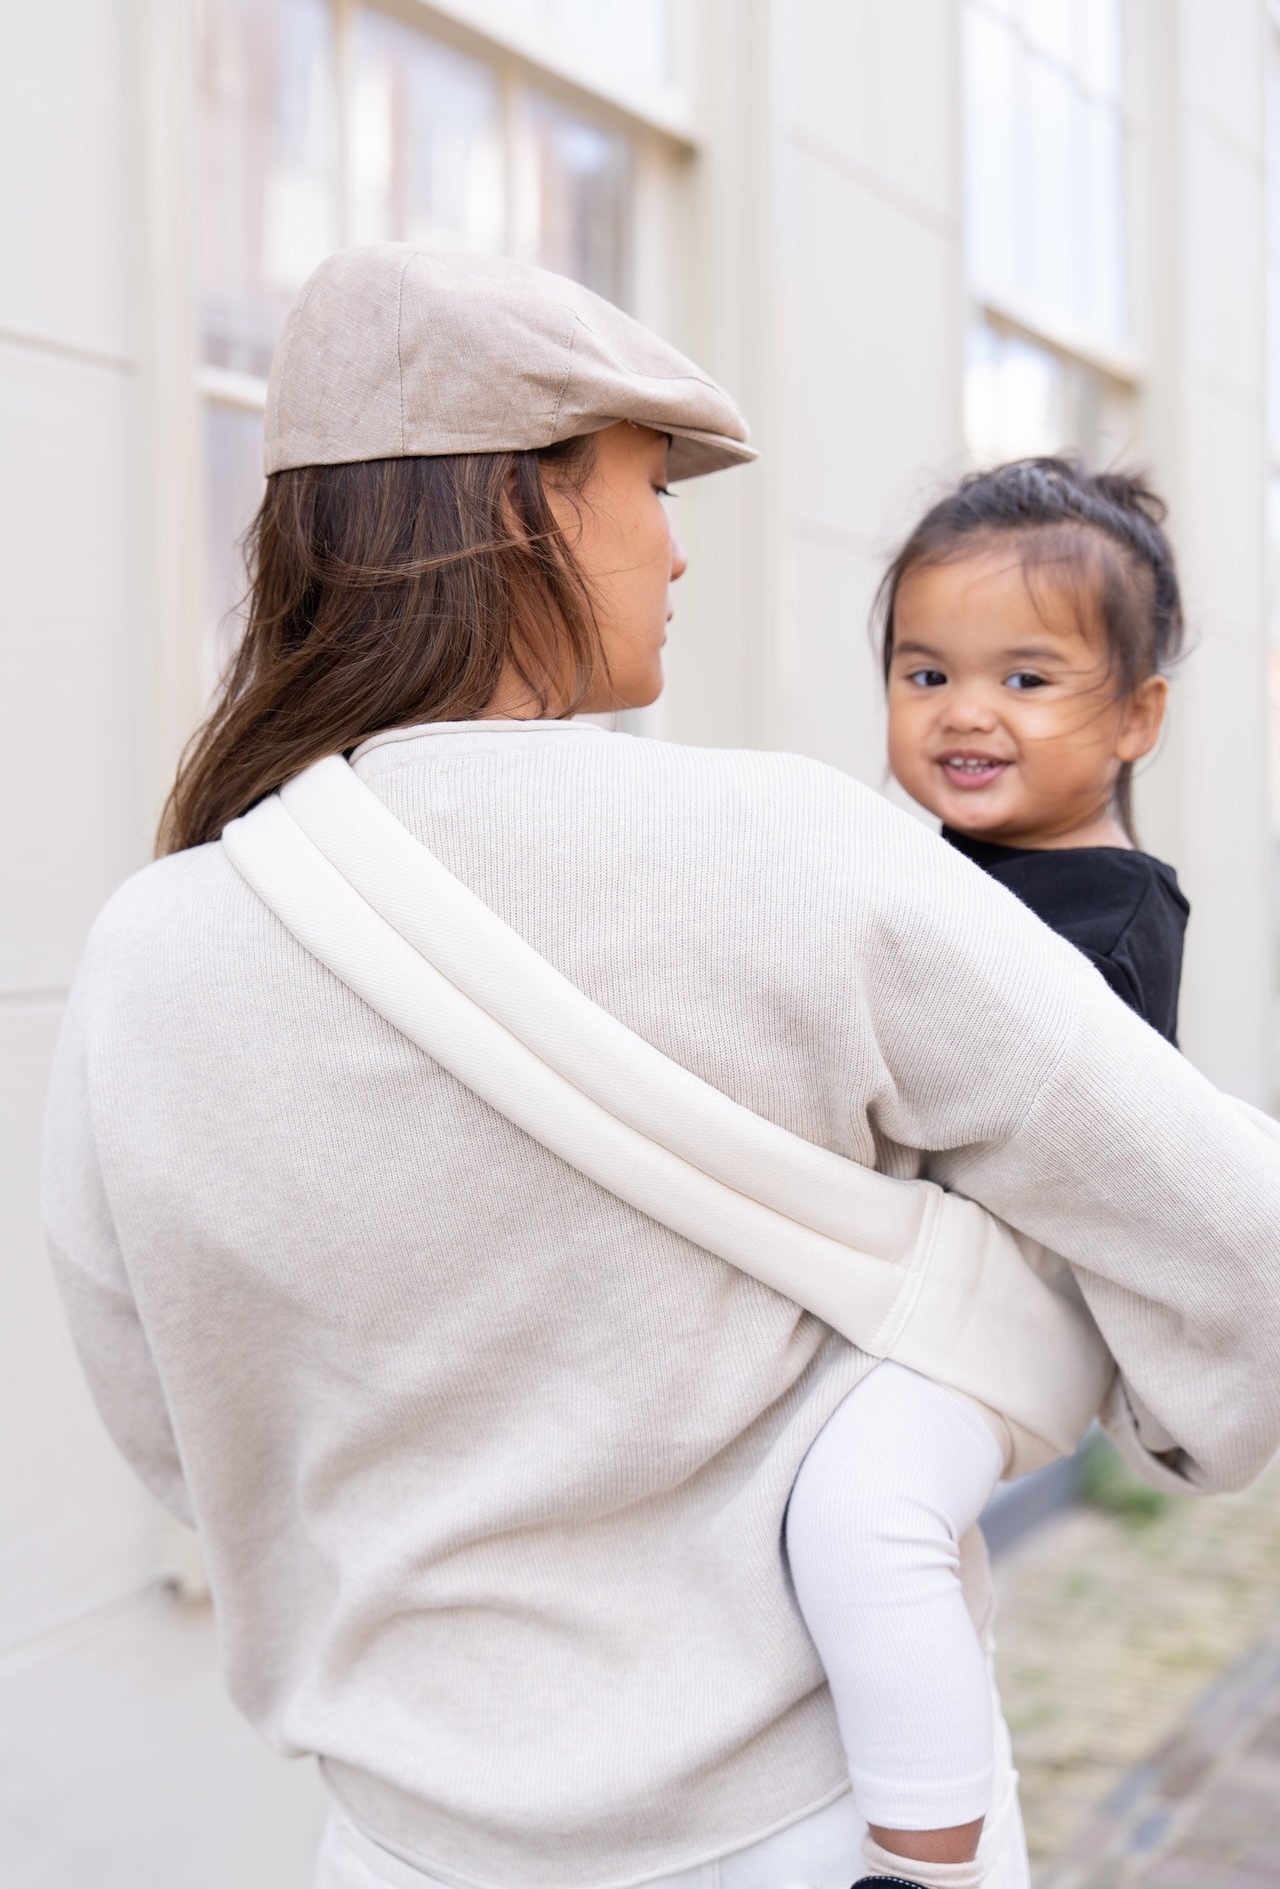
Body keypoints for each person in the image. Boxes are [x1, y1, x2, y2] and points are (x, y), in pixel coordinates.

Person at [41, 246, 1280, 1889]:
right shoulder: (790, 855)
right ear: (531, 513)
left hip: (402, 1839)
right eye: (645, 484)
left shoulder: (147, 948)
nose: (679, 548)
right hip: (816, 1824)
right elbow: (1228, 1229)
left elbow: (172, 1434)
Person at [784, 459, 1196, 1885]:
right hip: (927, 1292)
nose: (964, 712)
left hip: (1015, 1315)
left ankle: (928, 1856)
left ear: (1137, 715)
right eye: (925, 670)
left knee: (865, 1514)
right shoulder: (933, 871)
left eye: (1028, 679)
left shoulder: (1113, 909)